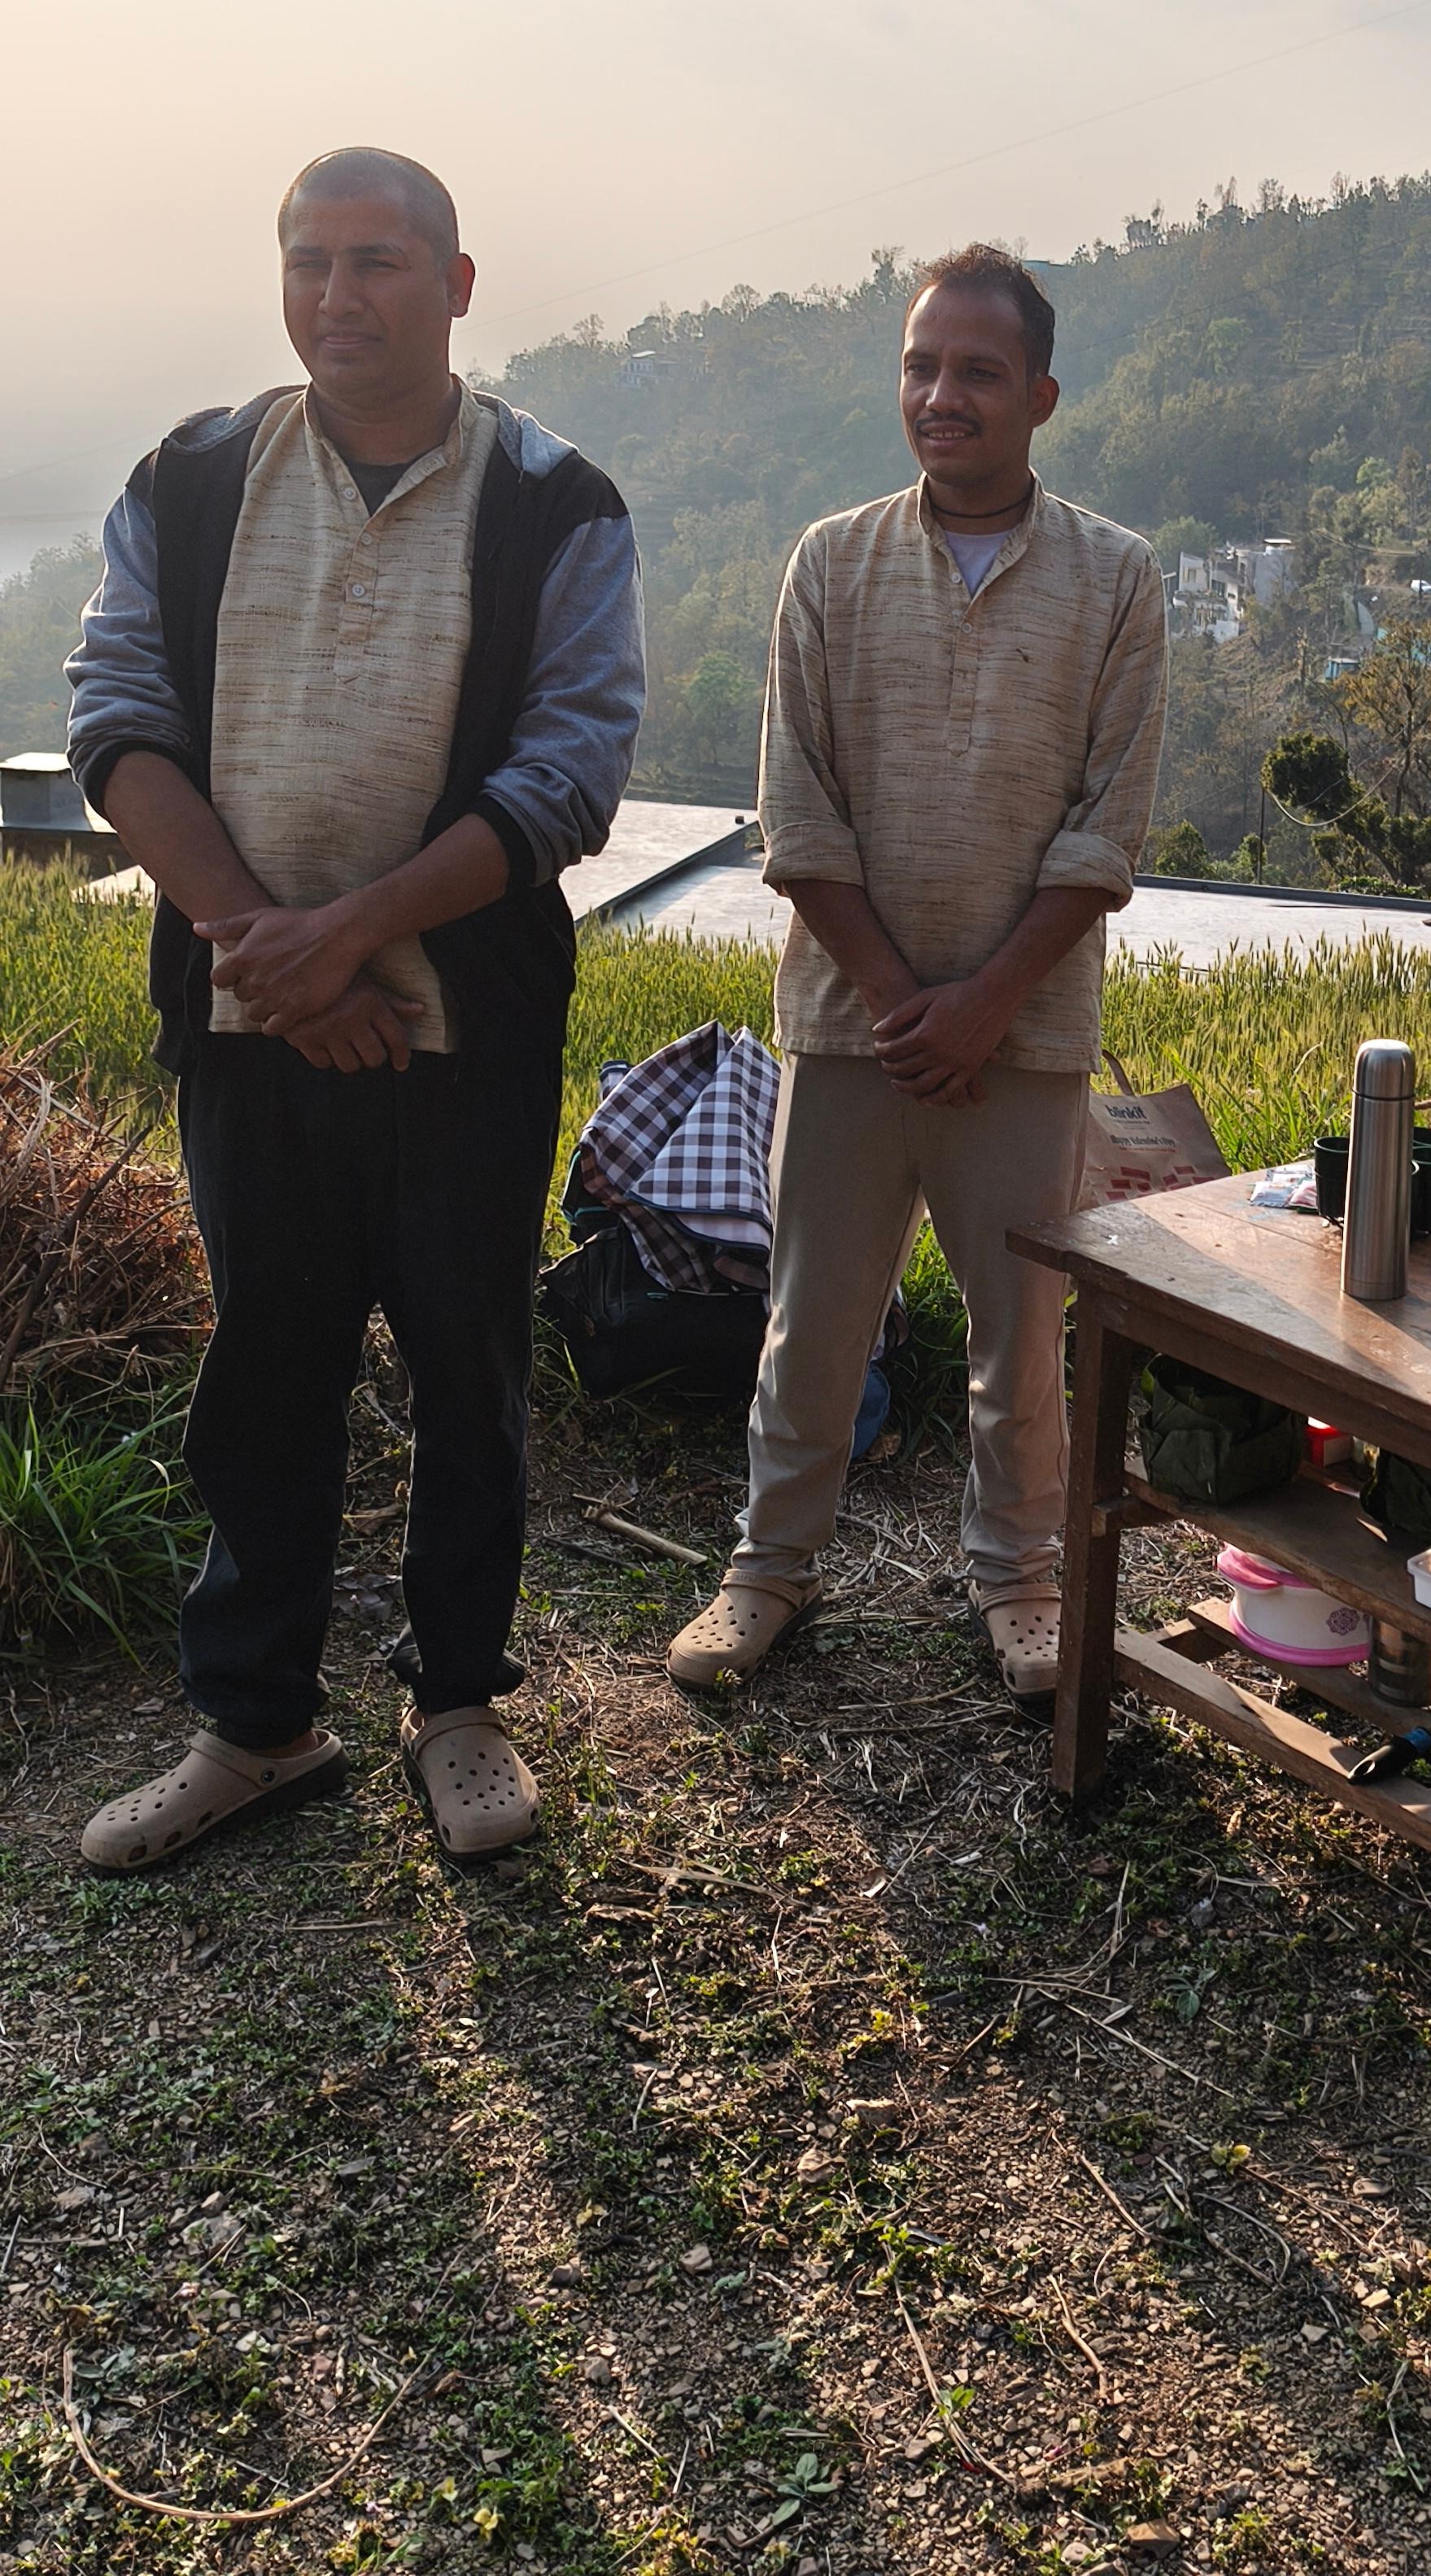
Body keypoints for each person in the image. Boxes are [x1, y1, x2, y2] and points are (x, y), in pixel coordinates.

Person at [67, 148, 644, 1870]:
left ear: (457, 285)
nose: (340, 294)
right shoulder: (190, 478)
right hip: (251, 1019)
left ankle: (456, 1701)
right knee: (268, 1362)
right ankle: (254, 1721)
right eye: (309, 259)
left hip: (468, 1033)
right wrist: (266, 945)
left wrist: (357, 935)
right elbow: (115, 715)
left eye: (379, 259)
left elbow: (574, 768)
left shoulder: (557, 499)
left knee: (469, 1365)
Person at [667, 244, 1165, 1703]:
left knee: (1023, 1334)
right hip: (849, 1026)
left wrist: (988, 1004)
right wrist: (904, 1004)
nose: (940, 397)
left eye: (977, 373)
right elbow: (797, 817)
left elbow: (1106, 832)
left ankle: (1020, 1584)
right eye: (920, 367)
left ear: (1042, 397)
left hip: (1029, 1034)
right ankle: (769, 1574)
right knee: (812, 1316)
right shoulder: (830, 563)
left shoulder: (1115, 580)